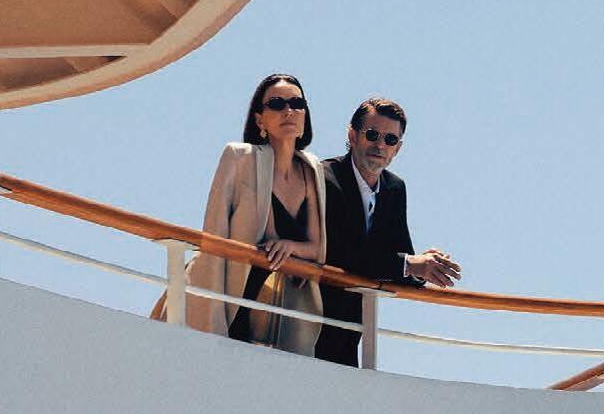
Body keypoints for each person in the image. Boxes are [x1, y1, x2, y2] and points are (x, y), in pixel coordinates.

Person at [186, 72, 331, 355]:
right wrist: (211, 321)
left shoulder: (312, 169)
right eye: (276, 104)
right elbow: (213, 239)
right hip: (228, 297)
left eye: (297, 103)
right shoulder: (239, 157)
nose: (289, 111)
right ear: (259, 120)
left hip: (273, 315)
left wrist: (288, 246)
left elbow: (317, 249)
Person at [315, 96, 461, 367]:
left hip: (351, 331)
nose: (380, 145)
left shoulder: (395, 188)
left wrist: (424, 265)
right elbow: (339, 253)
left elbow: (400, 257)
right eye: (372, 134)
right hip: (308, 321)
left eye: (390, 139)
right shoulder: (324, 178)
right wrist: (410, 264)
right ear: (352, 135)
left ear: (398, 148)